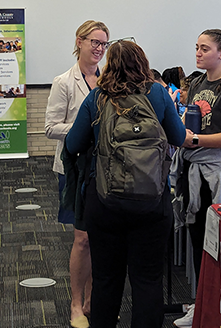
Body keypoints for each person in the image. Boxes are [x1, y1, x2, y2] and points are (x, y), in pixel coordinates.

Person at [65, 40, 189, 328]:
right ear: (142, 63)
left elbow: (72, 144)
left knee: (107, 279)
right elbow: (178, 136)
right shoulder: (157, 93)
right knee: (147, 280)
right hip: (152, 201)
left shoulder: (97, 97)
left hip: (105, 201)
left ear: (109, 64)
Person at [171, 28, 221, 328]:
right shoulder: (199, 81)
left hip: (218, 172)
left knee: (217, 244)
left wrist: (193, 141)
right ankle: (202, 303)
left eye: (205, 48)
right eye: (197, 47)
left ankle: (217, 307)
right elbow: (192, 120)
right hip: (195, 168)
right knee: (198, 240)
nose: (198, 53)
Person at [44, 20, 109, 328]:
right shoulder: (64, 81)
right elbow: (50, 128)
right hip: (73, 169)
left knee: (102, 236)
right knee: (82, 238)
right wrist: (85, 129)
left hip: (106, 169)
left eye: (104, 44)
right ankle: (75, 304)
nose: (98, 49)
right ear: (79, 42)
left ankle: (95, 299)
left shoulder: (109, 80)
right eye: (94, 42)